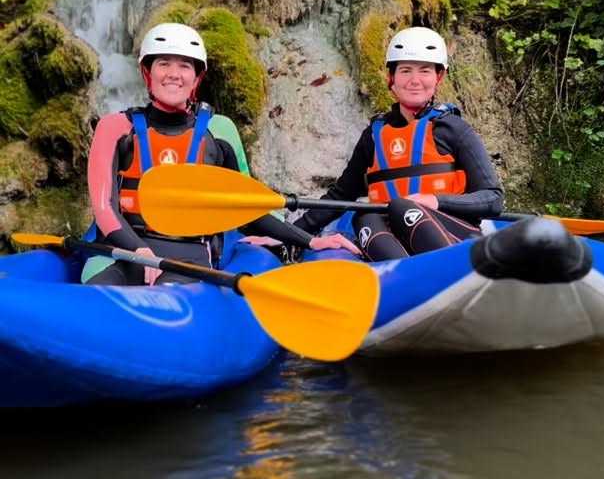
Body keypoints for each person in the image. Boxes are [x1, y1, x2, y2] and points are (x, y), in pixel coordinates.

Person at [83, 22, 358, 285]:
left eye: (184, 66)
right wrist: (139, 252)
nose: (173, 74)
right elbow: (104, 207)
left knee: (168, 300)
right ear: (147, 72)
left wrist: (310, 241)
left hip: (188, 256)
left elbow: (245, 207)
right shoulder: (114, 128)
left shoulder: (220, 131)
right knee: (98, 293)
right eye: (163, 63)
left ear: (196, 78)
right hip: (122, 251)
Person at [295, 25, 504, 260]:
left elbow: (493, 199)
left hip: (454, 234)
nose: (415, 80)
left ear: (439, 76)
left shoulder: (453, 129)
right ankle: (406, 277)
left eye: (424, 71)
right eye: (405, 71)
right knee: (365, 216)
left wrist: (434, 200)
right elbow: (340, 197)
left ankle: (448, 268)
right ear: (391, 77)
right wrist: (291, 234)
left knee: (401, 207)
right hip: (394, 238)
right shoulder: (374, 136)